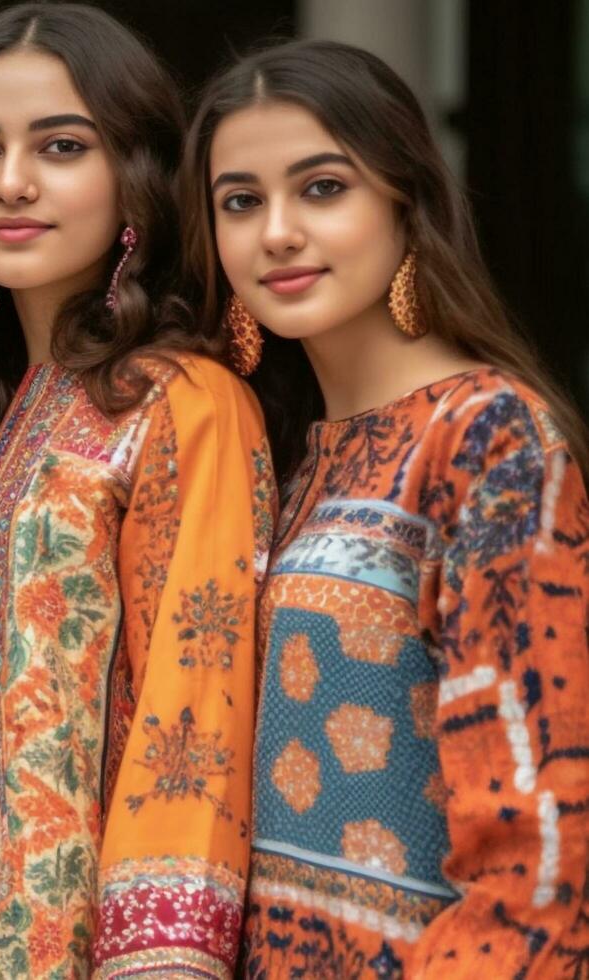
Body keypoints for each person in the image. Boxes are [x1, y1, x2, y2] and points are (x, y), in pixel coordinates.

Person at [182, 38, 589, 976]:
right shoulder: (276, 458)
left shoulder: (487, 438)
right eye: (240, 202)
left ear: (405, 206)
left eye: (322, 188)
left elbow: (542, 858)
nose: (275, 232)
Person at [0, 6, 273, 977]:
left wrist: (157, 955)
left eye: (60, 146)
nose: (10, 181)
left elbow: (191, 707)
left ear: (132, 182)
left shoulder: (182, 404)